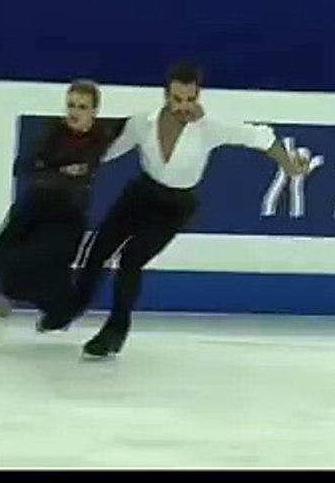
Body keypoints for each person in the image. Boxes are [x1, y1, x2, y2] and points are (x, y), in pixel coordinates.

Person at [40, 62, 311, 359]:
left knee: (131, 260)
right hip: (141, 193)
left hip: (176, 206)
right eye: (178, 99)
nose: (185, 106)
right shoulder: (142, 123)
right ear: (166, 96)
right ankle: (70, 310)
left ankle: (114, 333)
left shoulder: (211, 127)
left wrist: (288, 166)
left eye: (191, 99)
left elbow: (260, 137)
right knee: (98, 248)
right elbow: (108, 151)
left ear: (198, 96)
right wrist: (63, 167)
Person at [0, 80, 122, 352]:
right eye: (71, 104)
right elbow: (23, 166)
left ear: (95, 111)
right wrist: (59, 169)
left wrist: (50, 167)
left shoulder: (101, 137)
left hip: (66, 219)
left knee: (22, 263)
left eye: (82, 107)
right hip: (35, 204)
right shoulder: (53, 132)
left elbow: (140, 126)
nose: (74, 111)